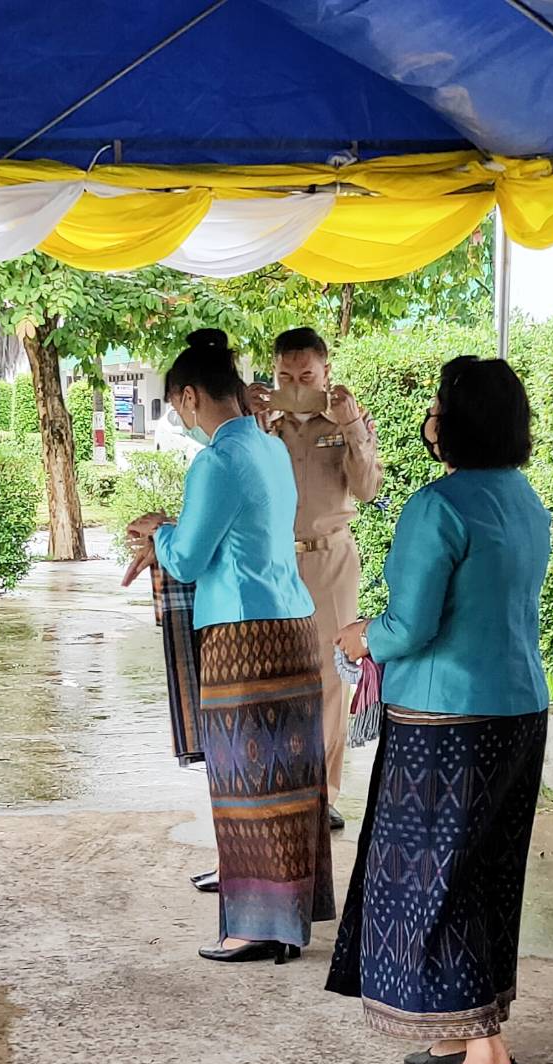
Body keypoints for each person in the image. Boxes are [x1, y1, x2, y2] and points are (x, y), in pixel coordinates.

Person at [327, 355, 549, 1064]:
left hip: (443, 721)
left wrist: (361, 637)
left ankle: (484, 1050)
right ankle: (458, 1032)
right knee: (484, 869)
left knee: (435, 877)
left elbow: (411, 625)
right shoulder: (523, 499)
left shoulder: (438, 505)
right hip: (518, 710)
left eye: (436, 404)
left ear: (457, 422)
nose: (429, 417)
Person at [127, 328, 334, 964]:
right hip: (294, 623)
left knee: (245, 779)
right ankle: (292, 910)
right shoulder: (268, 447)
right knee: (293, 778)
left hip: (243, 636)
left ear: (189, 397)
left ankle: (256, 927)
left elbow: (188, 558)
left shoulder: (216, 459)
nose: (179, 418)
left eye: (175, 405)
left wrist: (155, 534)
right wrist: (174, 530)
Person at [248, 326, 381, 829]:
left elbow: (367, 490)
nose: (297, 383)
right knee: (275, 671)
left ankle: (323, 792)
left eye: (307, 375)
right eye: (286, 375)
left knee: (330, 676)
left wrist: (354, 430)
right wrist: (252, 423)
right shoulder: (264, 425)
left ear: (327, 373)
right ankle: (279, 782)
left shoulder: (347, 420)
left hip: (331, 561)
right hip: (275, 558)